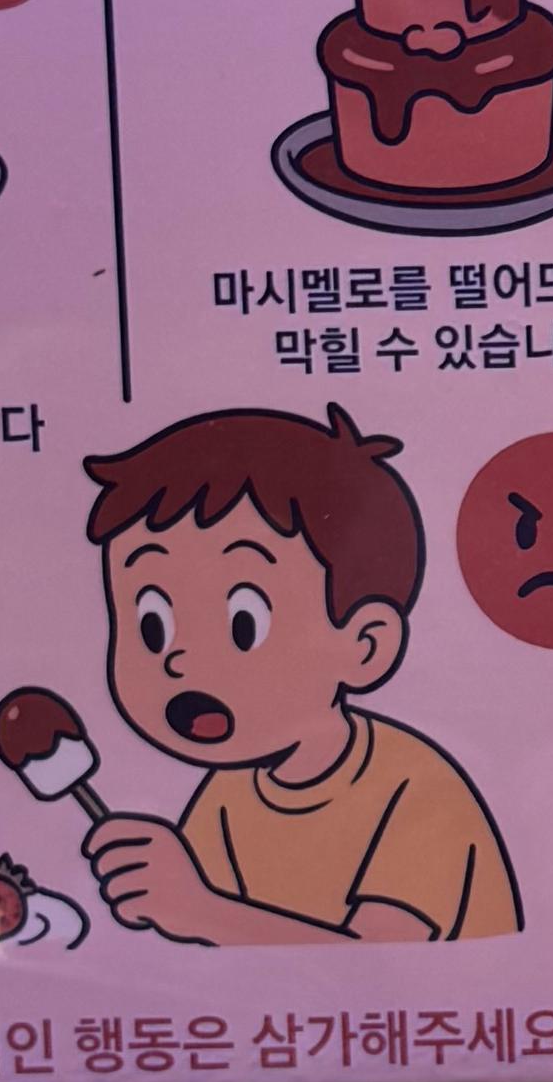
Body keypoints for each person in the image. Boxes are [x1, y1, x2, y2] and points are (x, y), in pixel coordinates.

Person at [75, 403, 520, 948]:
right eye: (153, 625)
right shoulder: (231, 792)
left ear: (366, 645)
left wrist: (199, 911)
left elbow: (383, 973)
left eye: (243, 625)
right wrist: (157, 902)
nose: (180, 661)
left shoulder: (416, 790)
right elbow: (208, 943)